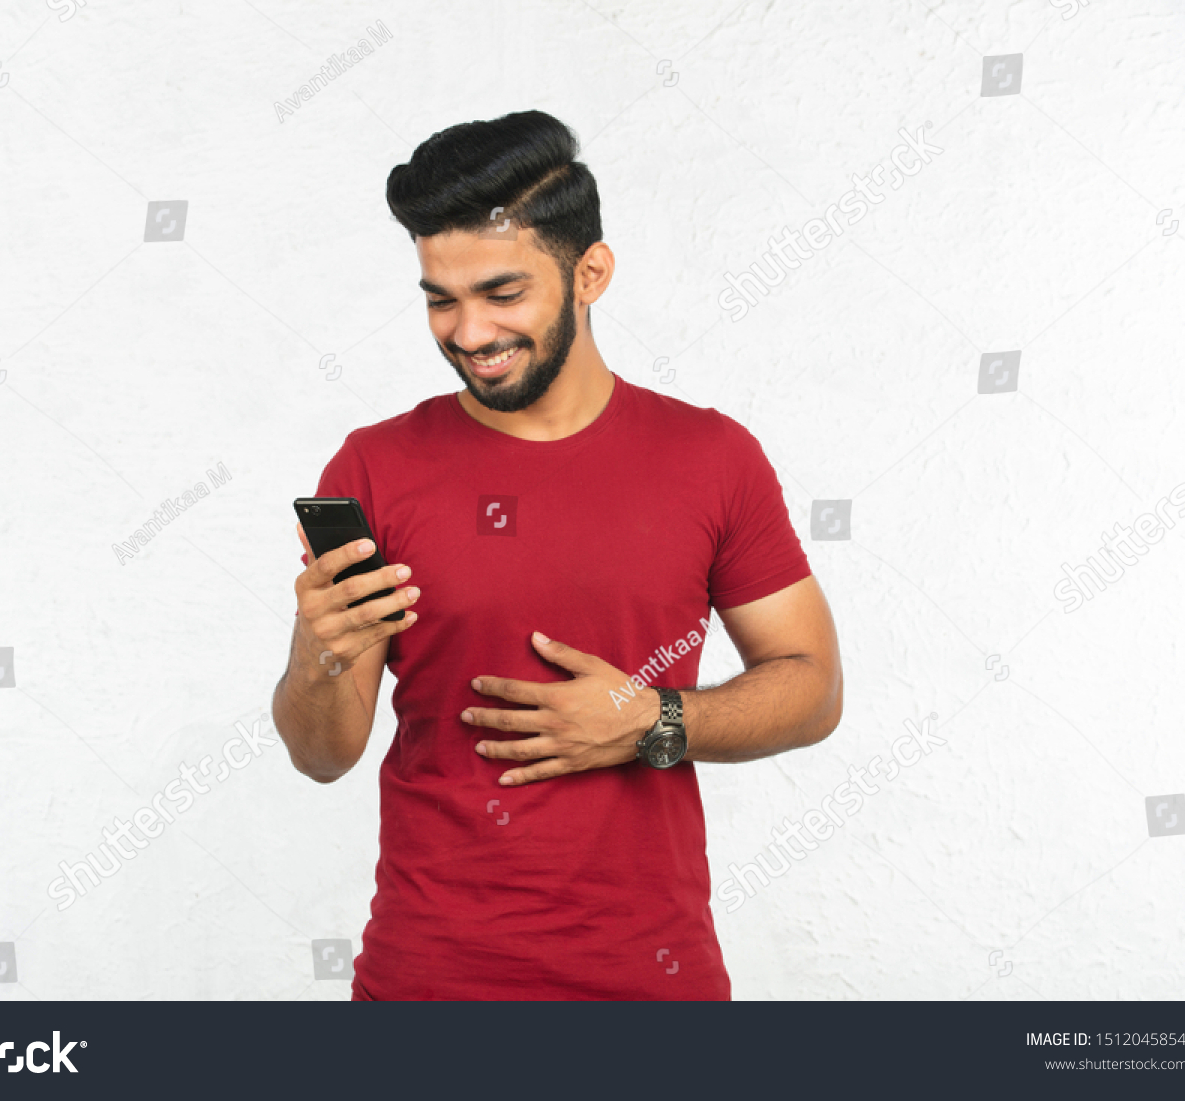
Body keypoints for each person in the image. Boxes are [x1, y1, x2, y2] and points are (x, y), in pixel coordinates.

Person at [274, 109, 843, 1000]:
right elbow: (322, 754)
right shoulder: (374, 466)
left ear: (590, 273)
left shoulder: (711, 457)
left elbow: (812, 686)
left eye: (503, 294)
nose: (467, 333)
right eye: (439, 297)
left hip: (650, 982)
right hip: (427, 982)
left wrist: (652, 722)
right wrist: (319, 655)